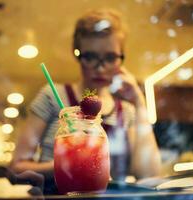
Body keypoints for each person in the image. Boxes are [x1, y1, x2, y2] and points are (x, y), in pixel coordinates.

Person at [10, 8, 161, 187]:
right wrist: (66, 166)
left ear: (121, 57)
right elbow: (16, 167)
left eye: (110, 57)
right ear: (77, 54)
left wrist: (139, 102)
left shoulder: (126, 110)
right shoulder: (52, 96)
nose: (100, 67)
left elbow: (149, 174)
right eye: (90, 57)